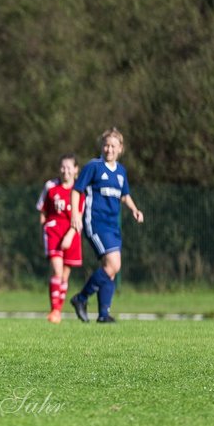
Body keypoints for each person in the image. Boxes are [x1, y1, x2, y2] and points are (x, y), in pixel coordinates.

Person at [69, 128, 144, 324]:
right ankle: (81, 298)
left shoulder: (121, 172)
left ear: (120, 149)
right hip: (95, 222)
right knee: (113, 264)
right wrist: (75, 215)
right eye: (106, 145)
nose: (109, 149)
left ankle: (103, 314)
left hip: (112, 225)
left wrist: (134, 209)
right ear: (101, 147)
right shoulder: (93, 166)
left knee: (109, 268)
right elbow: (77, 190)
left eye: (113, 146)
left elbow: (124, 195)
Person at [36, 154, 84, 324]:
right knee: (57, 271)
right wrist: (43, 231)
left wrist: (70, 235)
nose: (65, 171)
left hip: (71, 233)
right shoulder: (50, 186)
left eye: (69, 167)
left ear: (76, 170)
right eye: (63, 167)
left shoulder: (79, 190)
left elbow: (79, 216)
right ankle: (54, 310)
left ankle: (59, 310)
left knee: (64, 276)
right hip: (53, 232)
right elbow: (43, 210)